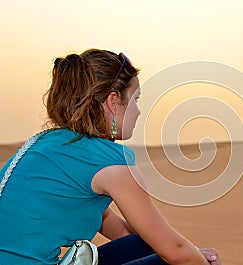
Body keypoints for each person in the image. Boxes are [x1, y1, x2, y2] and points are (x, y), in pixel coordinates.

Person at [0, 49, 222, 265]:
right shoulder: (109, 162)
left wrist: (190, 253)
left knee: (153, 245)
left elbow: (115, 227)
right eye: (136, 99)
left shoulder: (48, 144)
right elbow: (175, 254)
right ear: (113, 101)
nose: (138, 110)